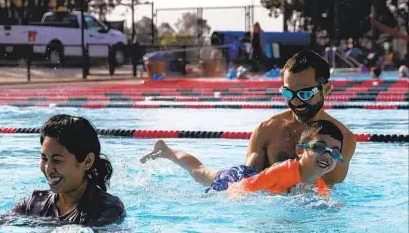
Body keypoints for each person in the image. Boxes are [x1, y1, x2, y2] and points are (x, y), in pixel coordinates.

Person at [141, 50, 356, 189]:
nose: (296, 101)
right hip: (251, 182)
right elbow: (247, 185)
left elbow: (327, 190)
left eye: (305, 94)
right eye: (288, 93)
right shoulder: (268, 129)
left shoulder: (343, 139)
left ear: (326, 89)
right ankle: (170, 153)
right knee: (203, 174)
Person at [9, 114, 125, 227]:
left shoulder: (107, 209)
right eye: (44, 158)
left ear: (87, 161)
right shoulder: (31, 206)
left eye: (57, 160)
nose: (48, 169)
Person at [226, 120, 344, 197]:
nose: (327, 155)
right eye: (319, 147)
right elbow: (241, 188)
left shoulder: (319, 186)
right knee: (211, 177)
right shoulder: (280, 171)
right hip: (237, 177)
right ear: (300, 150)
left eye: (334, 152)